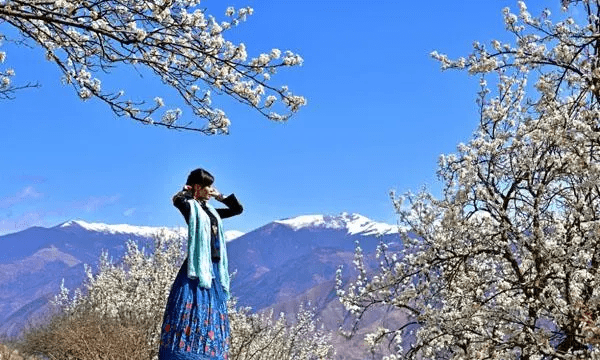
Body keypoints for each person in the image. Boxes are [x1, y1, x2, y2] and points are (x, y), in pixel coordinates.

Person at [159, 168, 243, 360]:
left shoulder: (212, 211)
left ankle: (210, 352)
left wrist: (221, 197)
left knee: (211, 311)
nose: (211, 190)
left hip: (214, 268)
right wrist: (186, 192)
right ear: (198, 187)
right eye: (208, 186)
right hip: (198, 267)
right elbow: (177, 200)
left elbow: (237, 210)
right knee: (192, 309)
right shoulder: (190, 207)